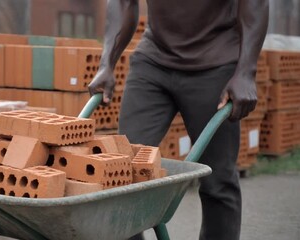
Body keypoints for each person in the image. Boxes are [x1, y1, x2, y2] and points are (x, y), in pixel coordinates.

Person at [88, 0, 269, 239]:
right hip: (153, 62)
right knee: (122, 173)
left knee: (218, 182)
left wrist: (246, 72)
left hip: (214, 64)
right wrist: (106, 64)